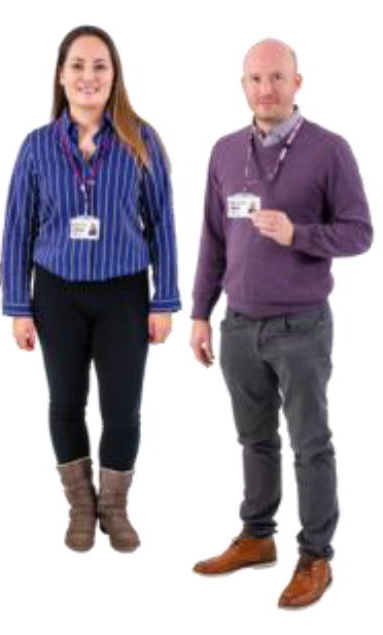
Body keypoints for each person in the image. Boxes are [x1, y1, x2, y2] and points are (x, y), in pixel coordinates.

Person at [190, 39, 373, 608]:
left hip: (301, 327)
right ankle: (256, 538)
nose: (266, 89)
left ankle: (316, 556)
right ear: (243, 85)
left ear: (298, 83)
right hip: (239, 326)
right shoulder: (224, 152)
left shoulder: (329, 150)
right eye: (255, 79)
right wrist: (200, 312)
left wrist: (300, 235)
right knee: (254, 440)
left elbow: (360, 232)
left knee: (310, 443)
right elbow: (213, 241)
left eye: (277, 78)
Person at [1, 25, 180, 553]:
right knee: (65, 403)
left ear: (114, 75)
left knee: (123, 408)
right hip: (56, 293)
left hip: (124, 292)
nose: (88, 76)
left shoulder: (140, 139)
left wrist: (163, 299)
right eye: (77, 65)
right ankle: (81, 507)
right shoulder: (36, 147)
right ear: (61, 75)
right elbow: (18, 228)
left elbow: (162, 223)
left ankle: (115, 508)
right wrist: (18, 305)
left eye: (100, 65)